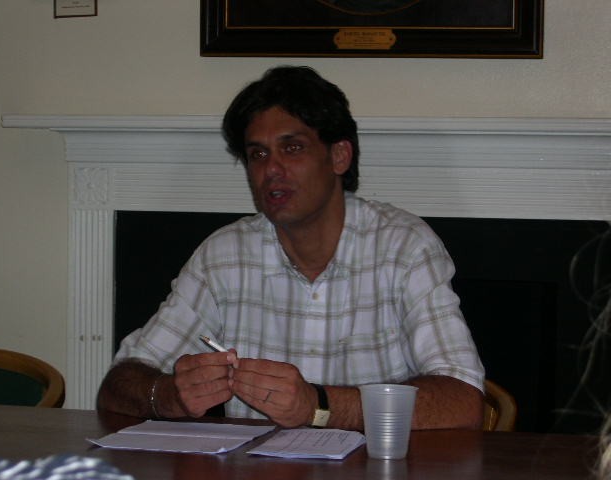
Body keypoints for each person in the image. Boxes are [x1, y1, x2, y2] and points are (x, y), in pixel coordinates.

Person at [97, 65, 485, 431]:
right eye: (258, 154)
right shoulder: (224, 255)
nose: (271, 169)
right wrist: (168, 395)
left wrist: (318, 405)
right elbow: (117, 386)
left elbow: (464, 401)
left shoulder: (405, 246)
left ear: (339, 156)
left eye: (293, 148)